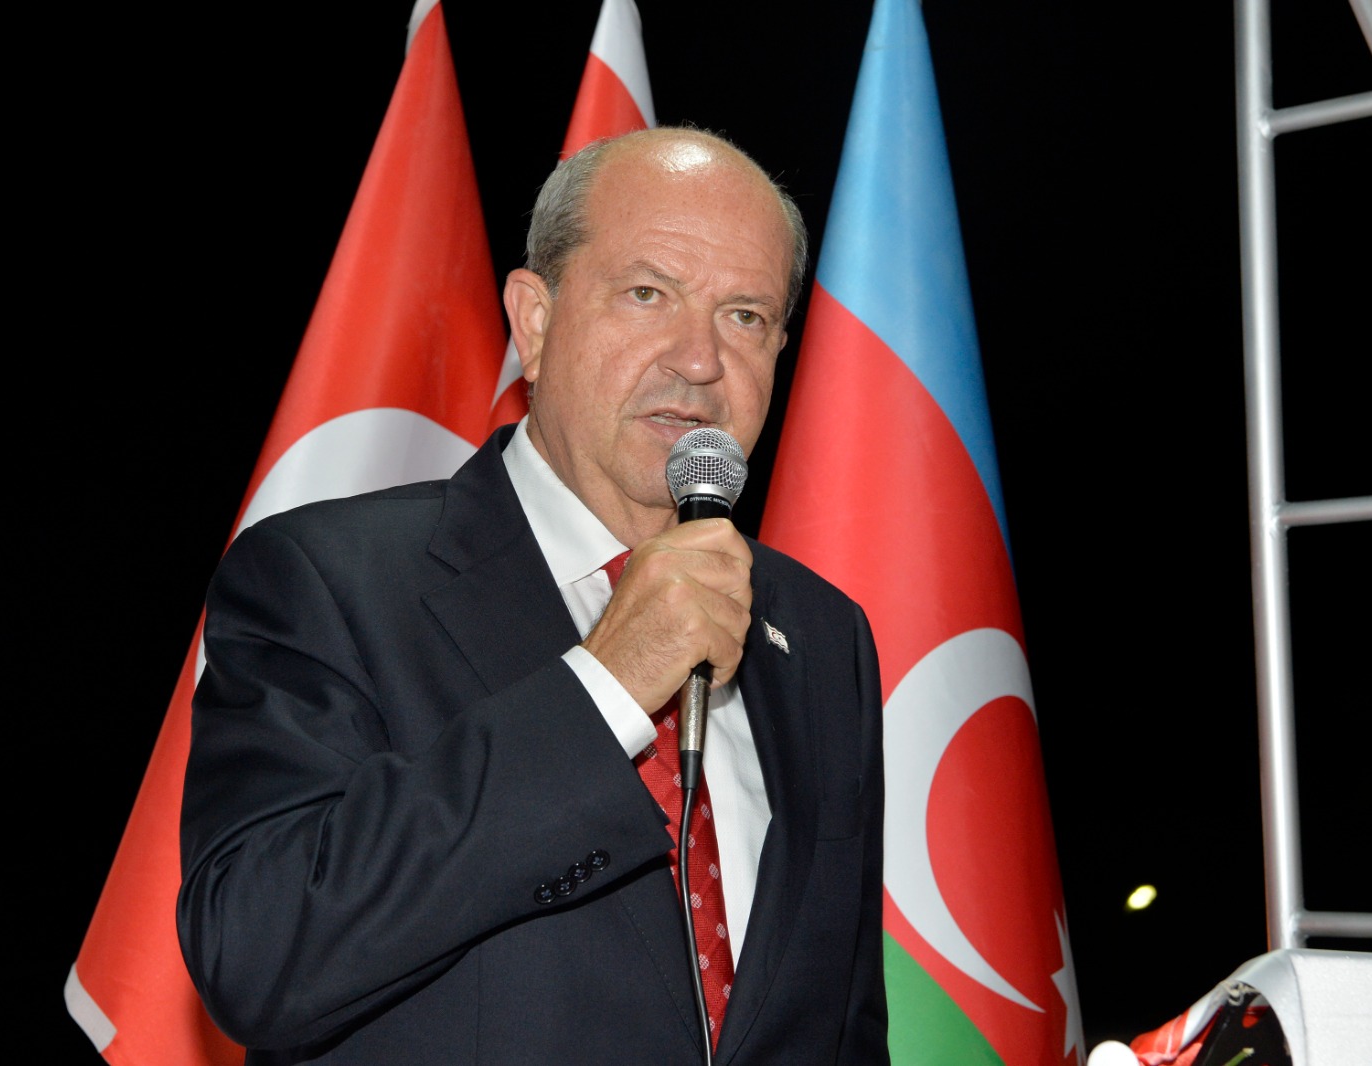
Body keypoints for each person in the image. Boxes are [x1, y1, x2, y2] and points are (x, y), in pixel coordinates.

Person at [177, 126, 888, 1065]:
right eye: (648, 293)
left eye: (745, 315)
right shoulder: (326, 579)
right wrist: (606, 686)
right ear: (535, 320)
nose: (701, 359)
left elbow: (844, 1029)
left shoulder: (821, 633)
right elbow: (258, 952)